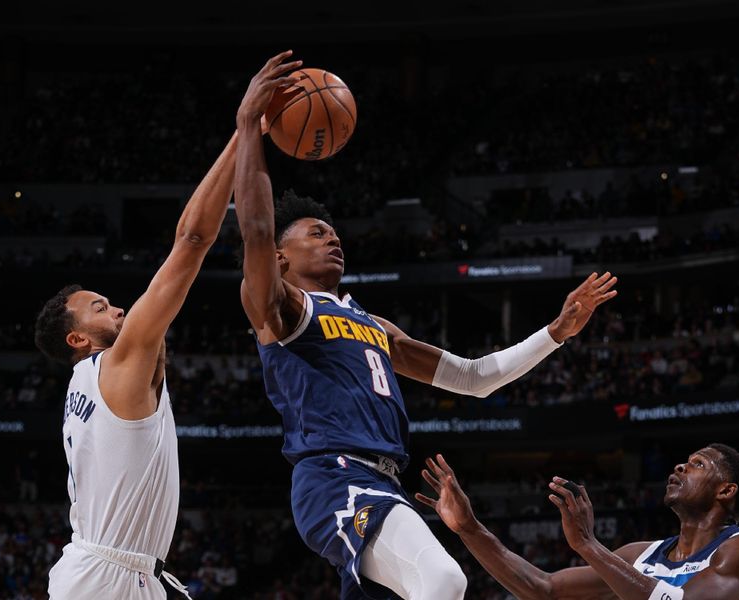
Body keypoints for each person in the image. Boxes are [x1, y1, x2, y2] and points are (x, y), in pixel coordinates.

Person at [234, 50, 619, 600]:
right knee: (442, 580)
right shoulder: (282, 308)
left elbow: (474, 377)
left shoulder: (371, 322)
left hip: (382, 479)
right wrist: (250, 126)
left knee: (438, 585)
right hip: (333, 476)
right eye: (316, 233)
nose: (333, 237)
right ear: (280, 258)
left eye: (334, 231)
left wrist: (556, 331)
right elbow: (253, 228)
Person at [32, 58, 287, 598]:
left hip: (117, 571)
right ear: (77, 339)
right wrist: (245, 132)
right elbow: (192, 241)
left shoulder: (84, 386)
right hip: (108, 578)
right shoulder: (118, 364)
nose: (118, 309)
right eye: (100, 308)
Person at [416, 444, 739, 600]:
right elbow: (543, 588)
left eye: (698, 464)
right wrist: (469, 528)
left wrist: (589, 546)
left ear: (726, 491)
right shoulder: (641, 556)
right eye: (684, 462)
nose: (680, 467)